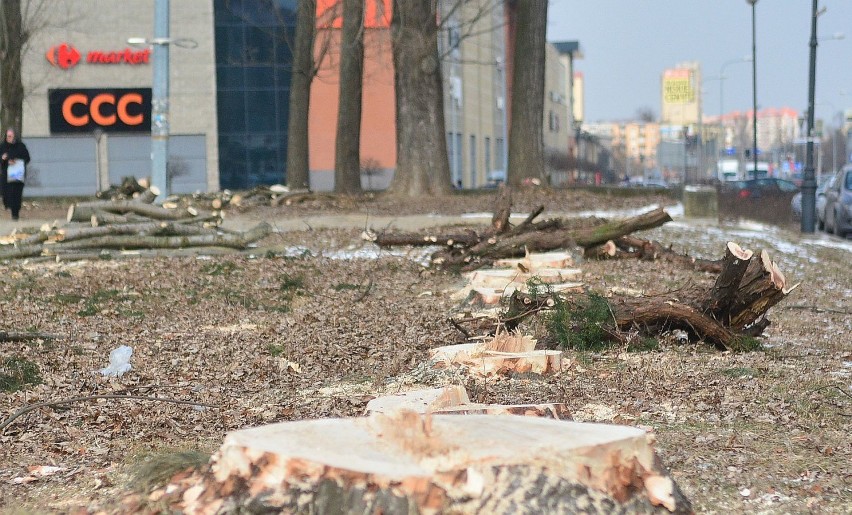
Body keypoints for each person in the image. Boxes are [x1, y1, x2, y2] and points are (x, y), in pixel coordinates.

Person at [0, 128, 31, 220]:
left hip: (18, 173)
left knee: (16, 194)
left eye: (11, 136)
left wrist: (16, 160)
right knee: (6, 194)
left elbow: (27, 158)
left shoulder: (21, 146)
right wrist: (4, 159)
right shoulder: (2, 146)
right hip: (6, 174)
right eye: (8, 136)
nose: (9, 138)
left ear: (14, 137)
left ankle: (15, 213)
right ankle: (8, 205)